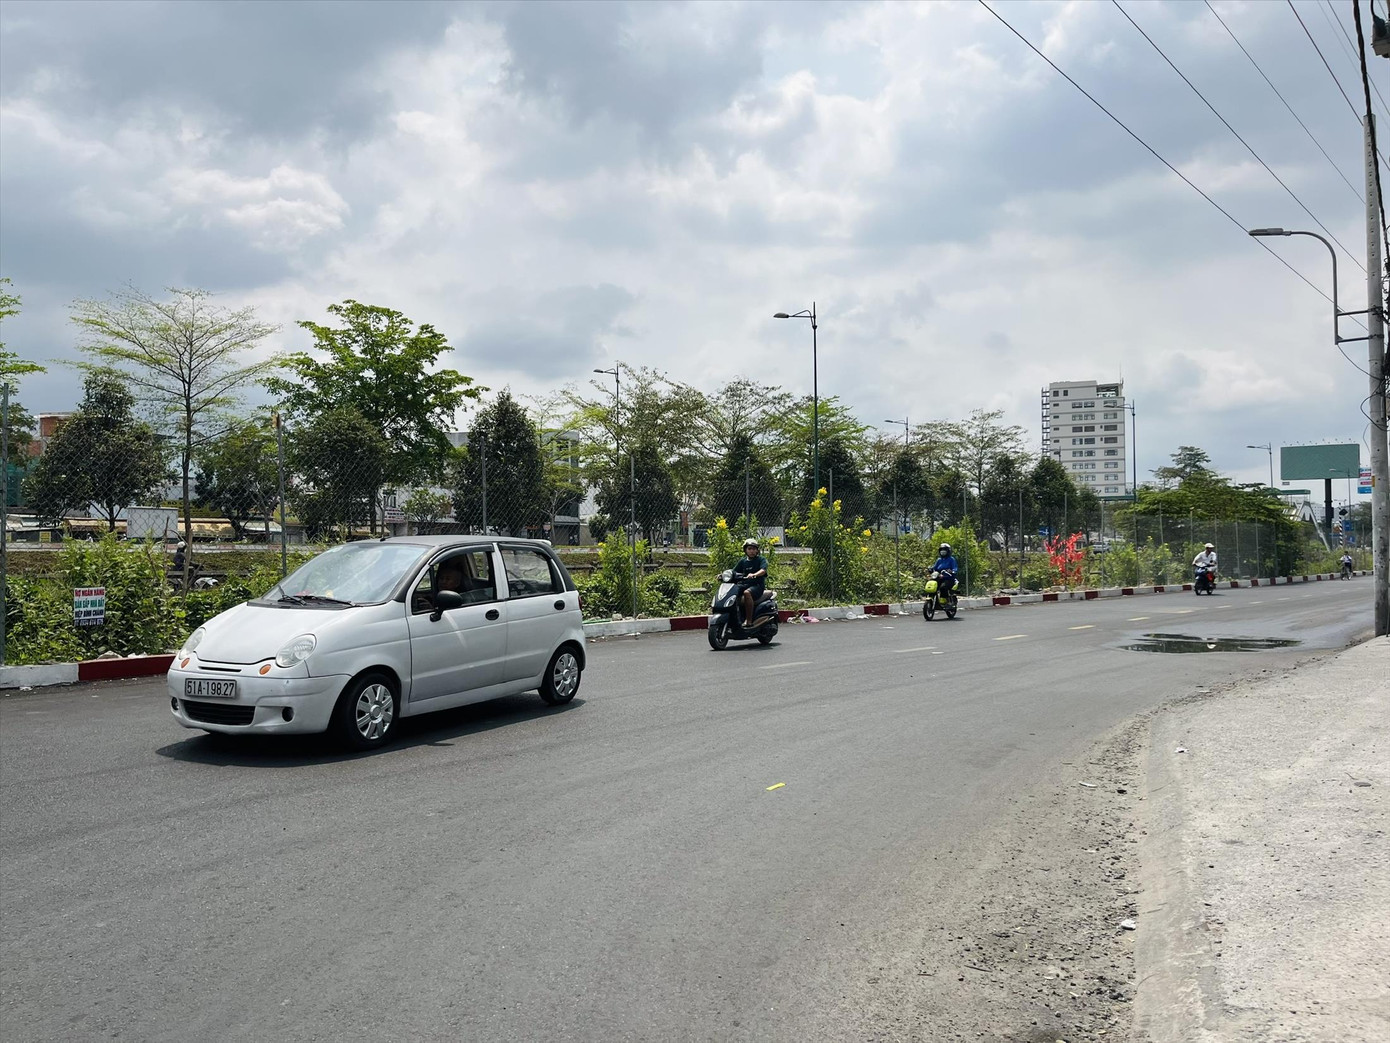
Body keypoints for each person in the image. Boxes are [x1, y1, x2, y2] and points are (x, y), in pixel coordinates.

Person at [732, 538, 769, 628]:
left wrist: (754, 574)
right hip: (744, 585)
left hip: (757, 586)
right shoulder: (743, 561)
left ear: (757, 550)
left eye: (754, 549)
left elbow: (763, 570)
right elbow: (734, 572)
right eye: (749, 549)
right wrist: (723, 575)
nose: (752, 551)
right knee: (731, 592)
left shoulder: (761, 559)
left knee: (746, 593)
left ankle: (749, 620)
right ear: (745, 550)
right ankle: (734, 618)